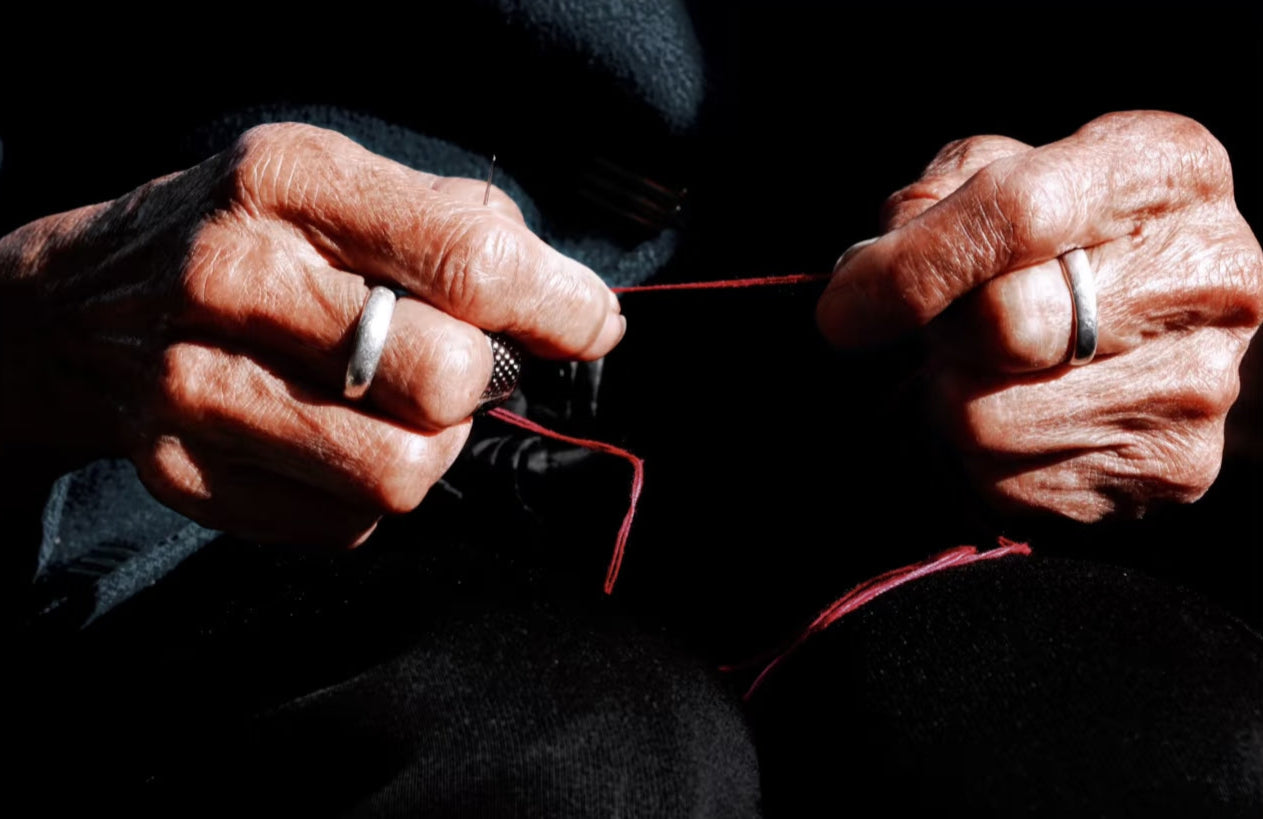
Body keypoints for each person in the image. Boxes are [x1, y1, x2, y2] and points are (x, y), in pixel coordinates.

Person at [2, 3, 1261, 815]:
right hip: (211, 491)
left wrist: (1172, 298)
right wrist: (42, 308)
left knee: (1162, 739)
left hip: (918, 474)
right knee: (577, 769)